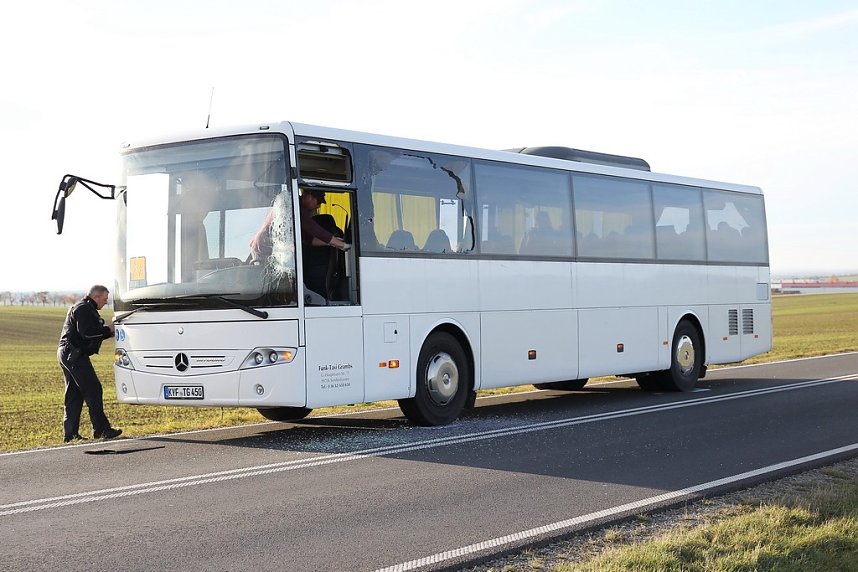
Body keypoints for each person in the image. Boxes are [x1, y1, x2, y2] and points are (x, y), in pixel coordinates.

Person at [57, 285, 122, 442]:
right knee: (93, 389)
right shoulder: (83, 309)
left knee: (74, 393)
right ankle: (101, 430)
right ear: (96, 297)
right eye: (105, 299)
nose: (106, 303)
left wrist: (110, 332)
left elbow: (90, 332)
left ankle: (70, 435)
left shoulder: (85, 308)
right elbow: (87, 333)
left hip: (68, 353)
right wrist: (108, 329)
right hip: (74, 355)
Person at [249, 189, 350, 257]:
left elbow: (309, 240)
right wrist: (344, 246)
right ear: (309, 196)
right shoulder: (294, 205)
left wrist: (333, 243)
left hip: (277, 250)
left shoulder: (301, 211)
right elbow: (317, 231)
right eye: (318, 201)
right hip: (267, 249)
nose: (319, 206)